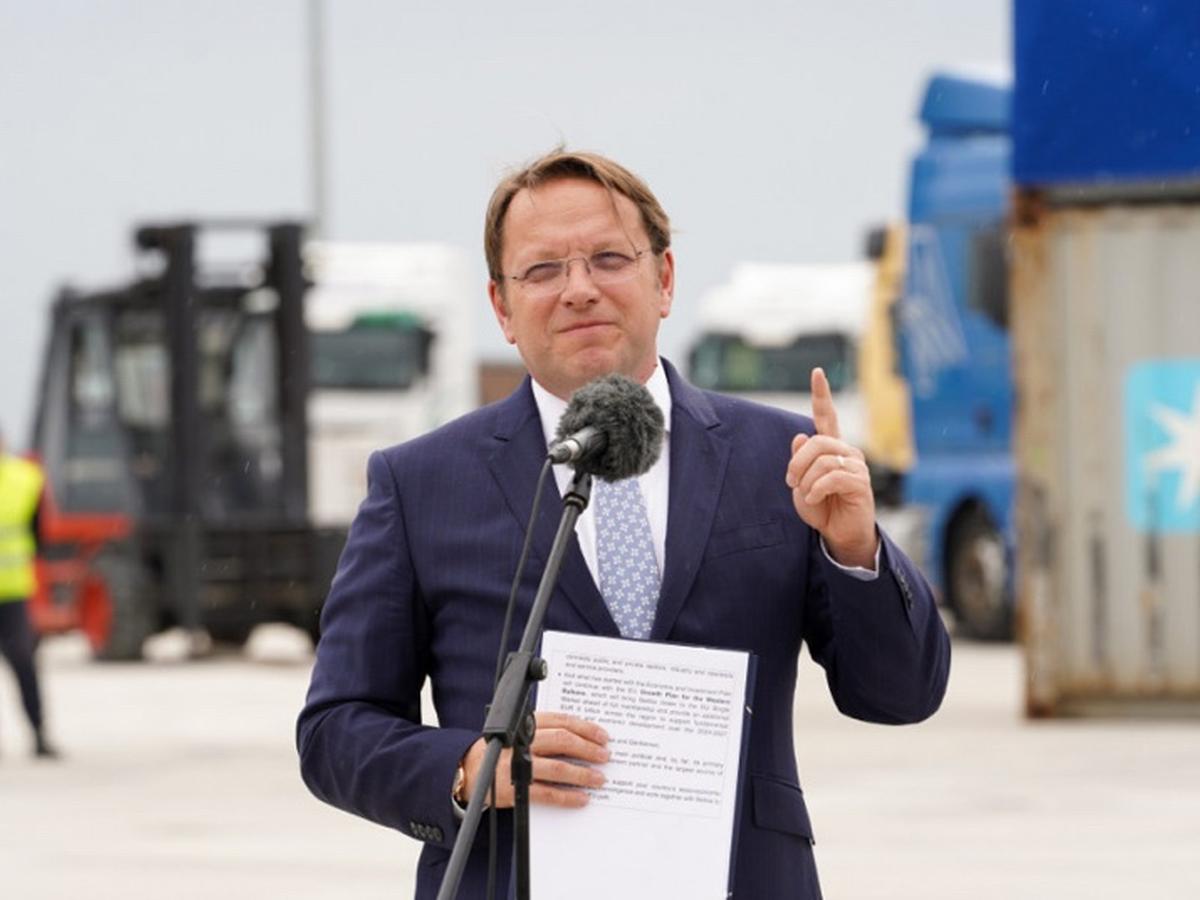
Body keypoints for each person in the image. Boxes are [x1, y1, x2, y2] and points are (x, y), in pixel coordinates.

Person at [298, 150, 950, 899]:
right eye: (543, 270)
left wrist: (855, 547)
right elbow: (334, 729)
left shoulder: (786, 459)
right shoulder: (421, 483)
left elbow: (901, 695)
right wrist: (470, 768)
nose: (579, 289)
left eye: (609, 259)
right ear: (502, 308)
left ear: (664, 279)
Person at [0, 429, 58, 760]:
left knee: (23, 663)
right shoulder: (27, 477)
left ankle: (39, 734)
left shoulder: (26, 478)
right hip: (14, 589)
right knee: (24, 662)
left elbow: (37, 534)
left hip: (13, 591)